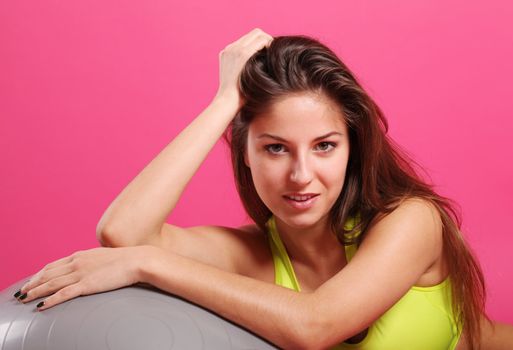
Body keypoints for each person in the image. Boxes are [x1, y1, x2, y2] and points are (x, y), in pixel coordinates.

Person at [13, 28, 513, 349]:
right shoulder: (252, 255)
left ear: (353, 149)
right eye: (275, 148)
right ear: (244, 152)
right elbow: (122, 233)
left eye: (324, 146)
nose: (301, 175)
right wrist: (222, 104)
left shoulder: (411, 220)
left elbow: (317, 325)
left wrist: (150, 263)